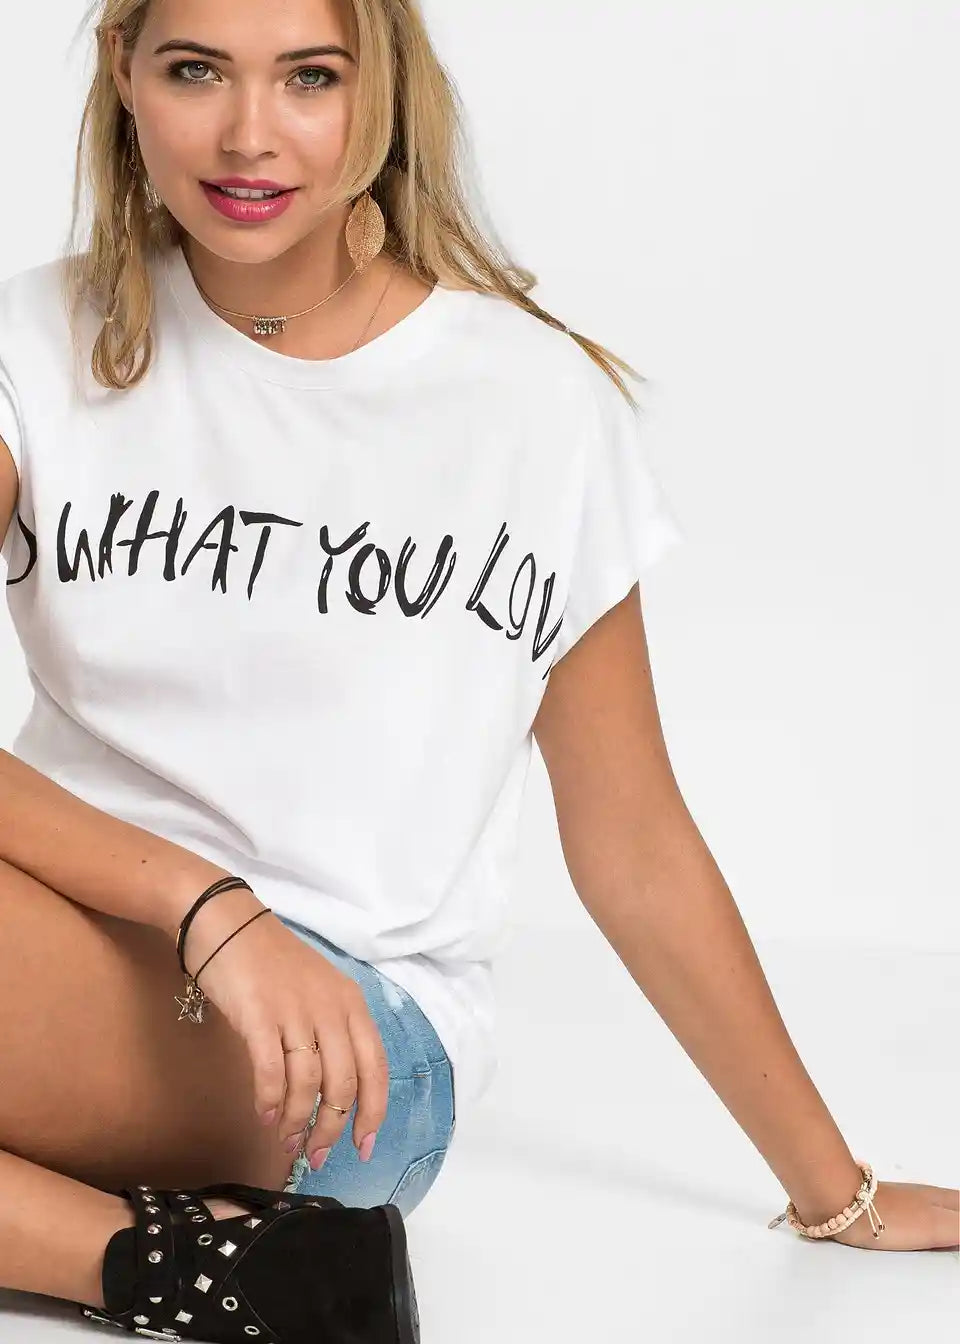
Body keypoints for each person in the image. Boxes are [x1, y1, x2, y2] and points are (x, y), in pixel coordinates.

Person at [0, 0, 956, 1339]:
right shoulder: (40, 341)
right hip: (75, 931)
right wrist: (203, 904)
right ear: (123, 69)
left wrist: (835, 1192)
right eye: (197, 70)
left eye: (310, 78)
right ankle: (201, 1267)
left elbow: (634, 843)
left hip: (346, 1040)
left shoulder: (525, 403)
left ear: (381, 85)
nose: (248, 134)